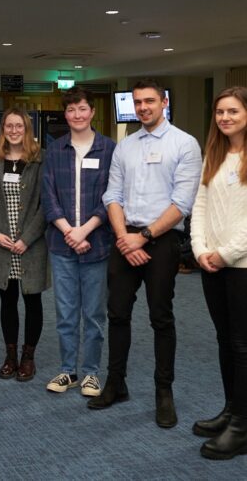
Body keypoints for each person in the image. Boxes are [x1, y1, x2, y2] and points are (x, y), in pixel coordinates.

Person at [89, 79, 201, 429]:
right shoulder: (126, 146)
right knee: (117, 313)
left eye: (149, 101)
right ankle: (116, 383)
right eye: (137, 102)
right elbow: (112, 196)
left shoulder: (184, 144)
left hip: (163, 241)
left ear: (164, 102)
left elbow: (182, 203)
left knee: (160, 317)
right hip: (125, 238)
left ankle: (163, 392)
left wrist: (145, 237)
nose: (143, 108)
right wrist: (125, 237)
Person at [41, 87, 116, 397]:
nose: (77, 115)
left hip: (97, 244)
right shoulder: (54, 150)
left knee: (95, 315)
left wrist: (83, 231)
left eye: (82, 109)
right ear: (66, 114)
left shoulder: (109, 149)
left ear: (92, 111)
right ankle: (68, 370)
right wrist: (69, 232)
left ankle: (91, 373)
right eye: (71, 111)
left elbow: (112, 197)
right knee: (66, 313)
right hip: (61, 245)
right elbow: (49, 197)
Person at [190, 86, 247, 460]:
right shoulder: (215, 154)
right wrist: (199, 249)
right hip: (211, 263)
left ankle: (242, 426)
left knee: (243, 345)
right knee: (225, 341)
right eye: (220, 112)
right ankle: (232, 410)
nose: (225, 118)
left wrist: (225, 254)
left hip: (241, 266)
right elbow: (199, 206)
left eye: (233, 112)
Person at [0, 108, 48, 382]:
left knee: (33, 300)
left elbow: (46, 206)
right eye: (9, 126)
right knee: (7, 301)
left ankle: (28, 357)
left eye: (19, 125)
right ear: (3, 130)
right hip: (2, 244)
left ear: (27, 129)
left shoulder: (40, 161)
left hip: (30, 245)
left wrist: (26, 238)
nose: (14, 130)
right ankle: (10, 355)